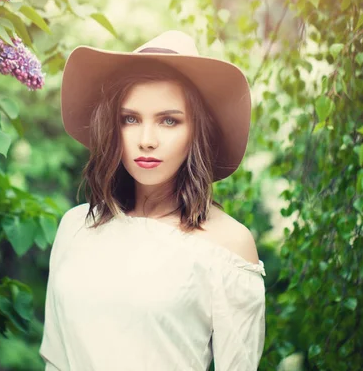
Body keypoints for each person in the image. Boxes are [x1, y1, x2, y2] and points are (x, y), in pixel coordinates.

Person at [39, 30, 266, 371]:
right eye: (130, 119)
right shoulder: (75, 226)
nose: (147, 140)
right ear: (112, 128)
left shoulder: (229, 246)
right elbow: (56, 361)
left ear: (196, 132)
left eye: (169, 120)